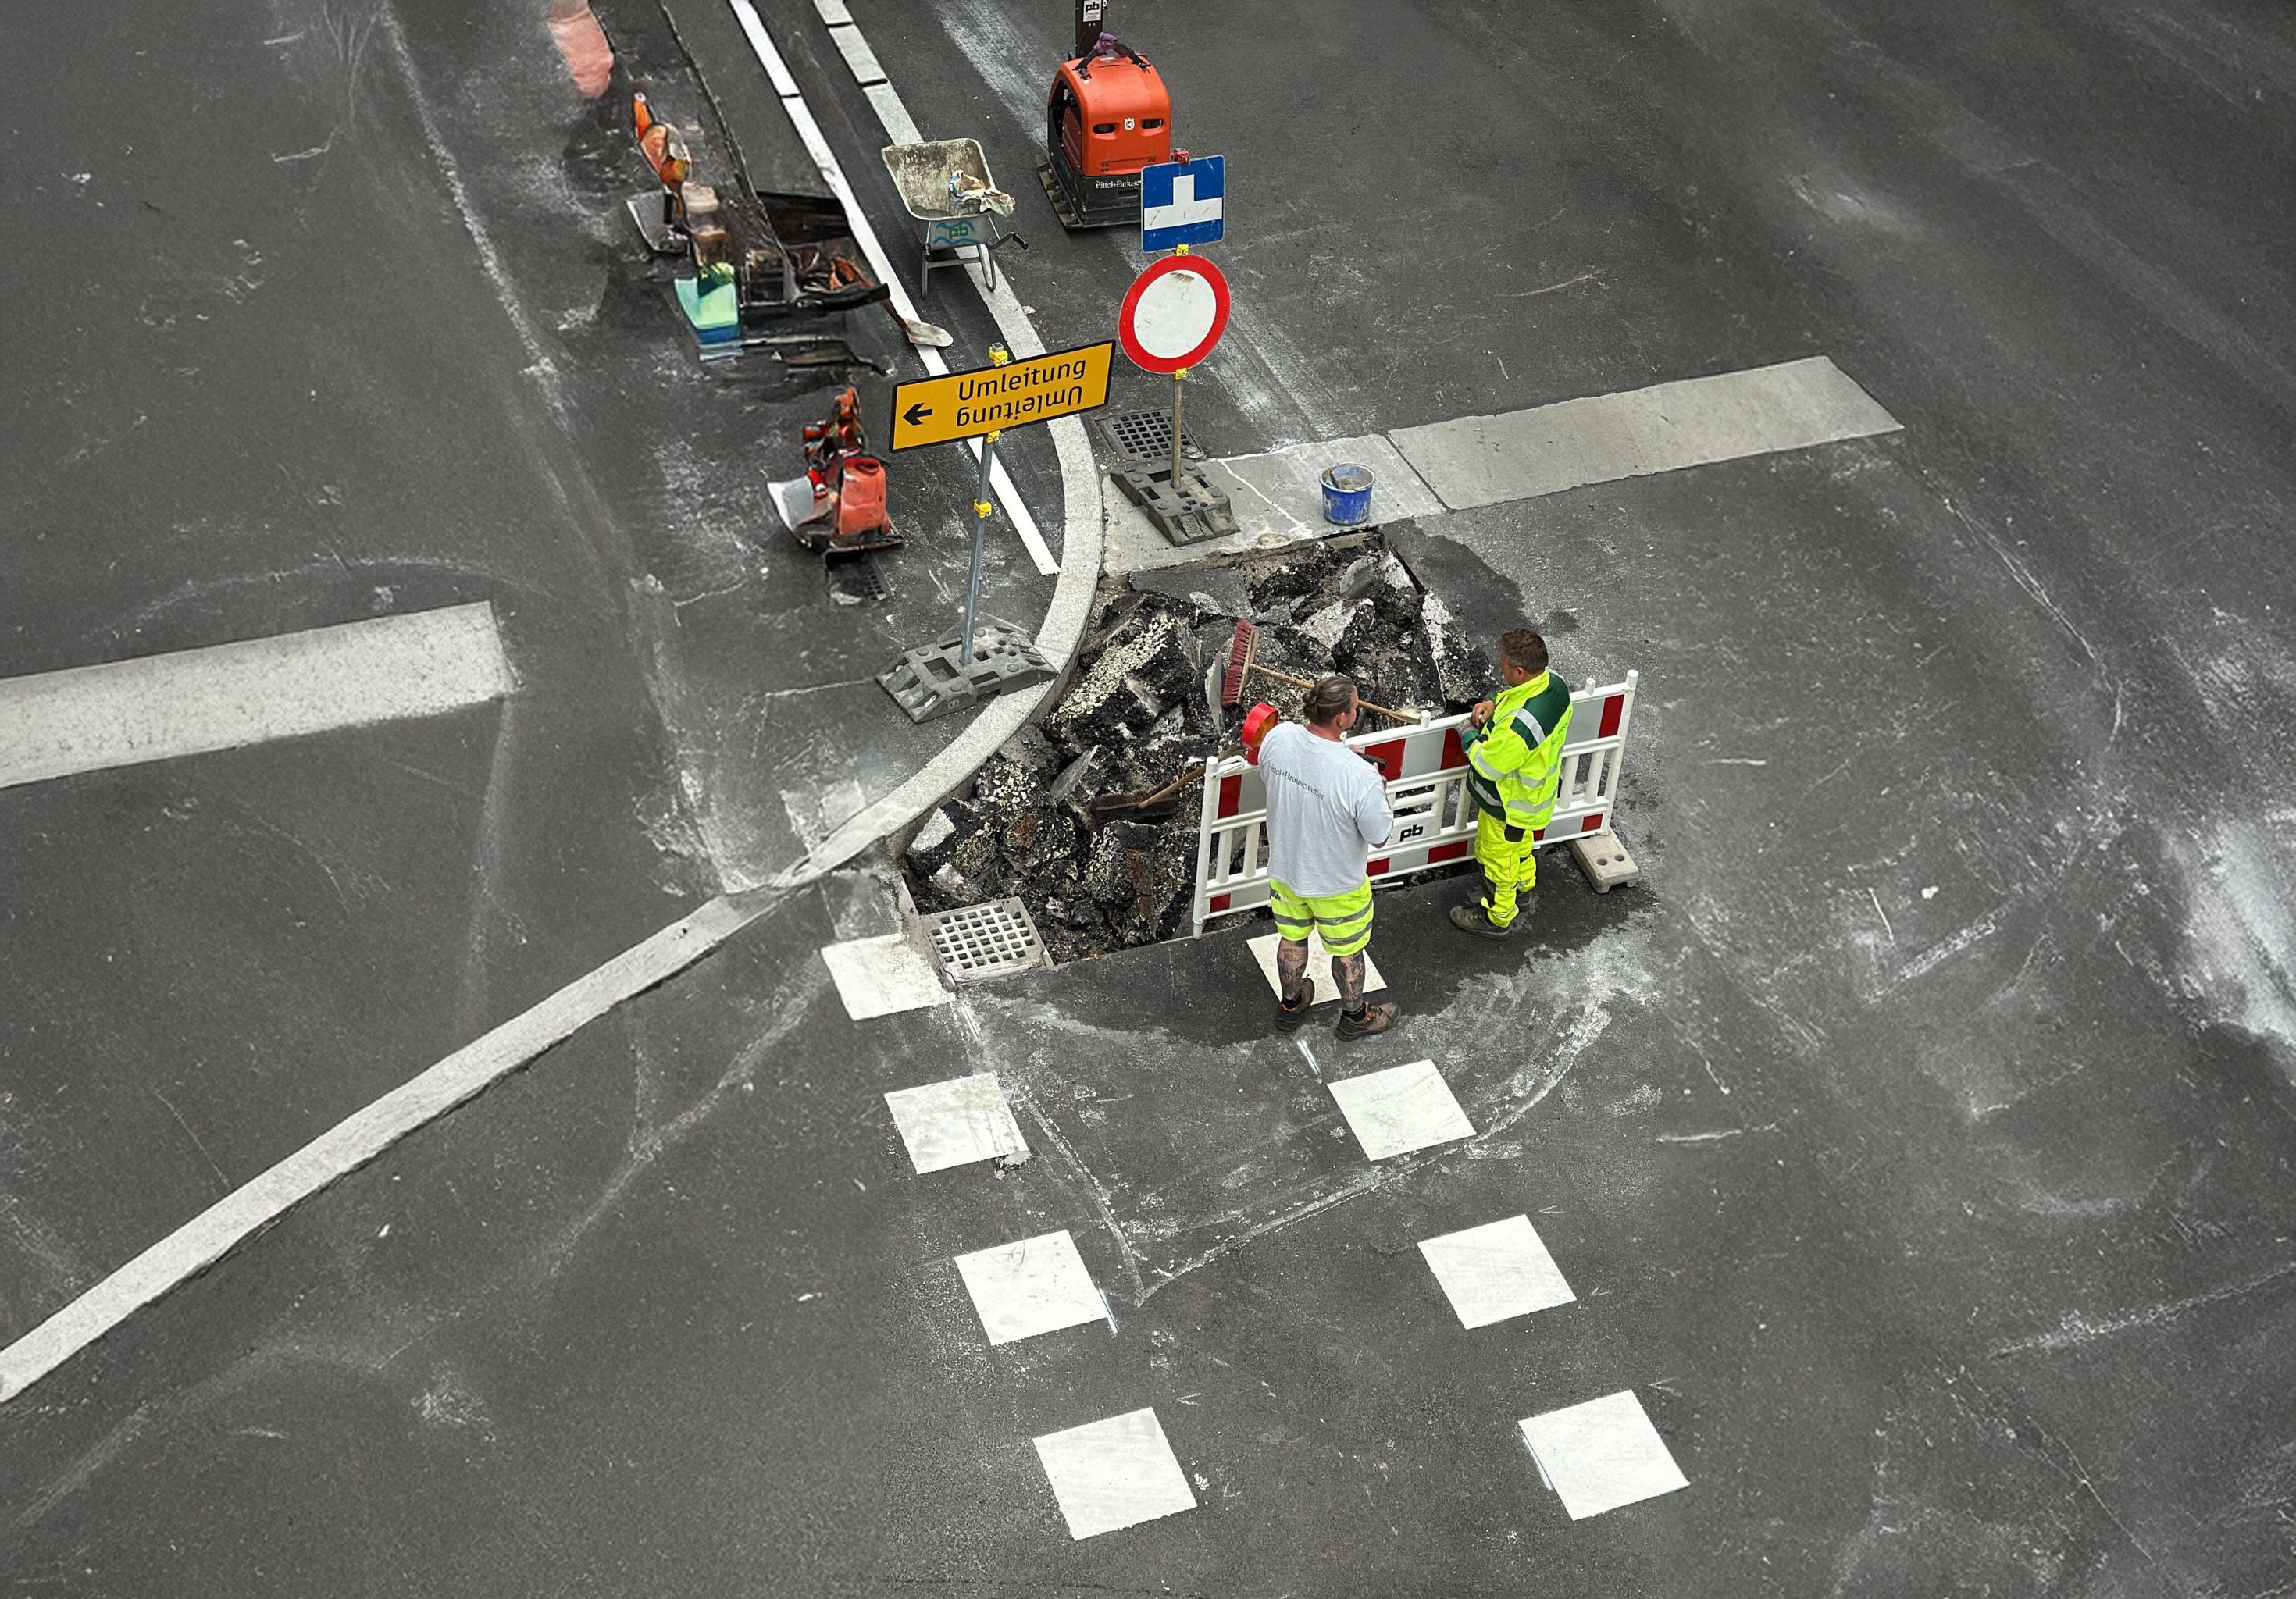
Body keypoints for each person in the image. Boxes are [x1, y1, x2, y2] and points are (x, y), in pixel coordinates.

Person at [1255, 675, 1399, 1038]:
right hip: (1337, 883)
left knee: (1291, 940)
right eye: (1355, 707)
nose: (1357, 711)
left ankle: (1291, 1004)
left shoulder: (1278, 738)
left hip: (1286, 872)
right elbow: (1380, 836)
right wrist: (1378, 789)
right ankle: (1355, 1017)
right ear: (1342, 719)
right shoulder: (1359, 776)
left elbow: (1276, 772)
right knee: (1348, 952)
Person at [1451, 629, 1574, 938]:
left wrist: (1467, 733)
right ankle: (1523, 887)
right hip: (1532, 797)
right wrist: (1494, 702)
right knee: (1519, 848)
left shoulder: (1520, 728)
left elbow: (1489, 764)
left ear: (1519, 671)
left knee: (1496, 857)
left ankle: (1497, 915)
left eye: (1504, 665)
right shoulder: (1553, 684)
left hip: (1507, 802)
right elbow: (1516, 699)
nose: (1500, 669)